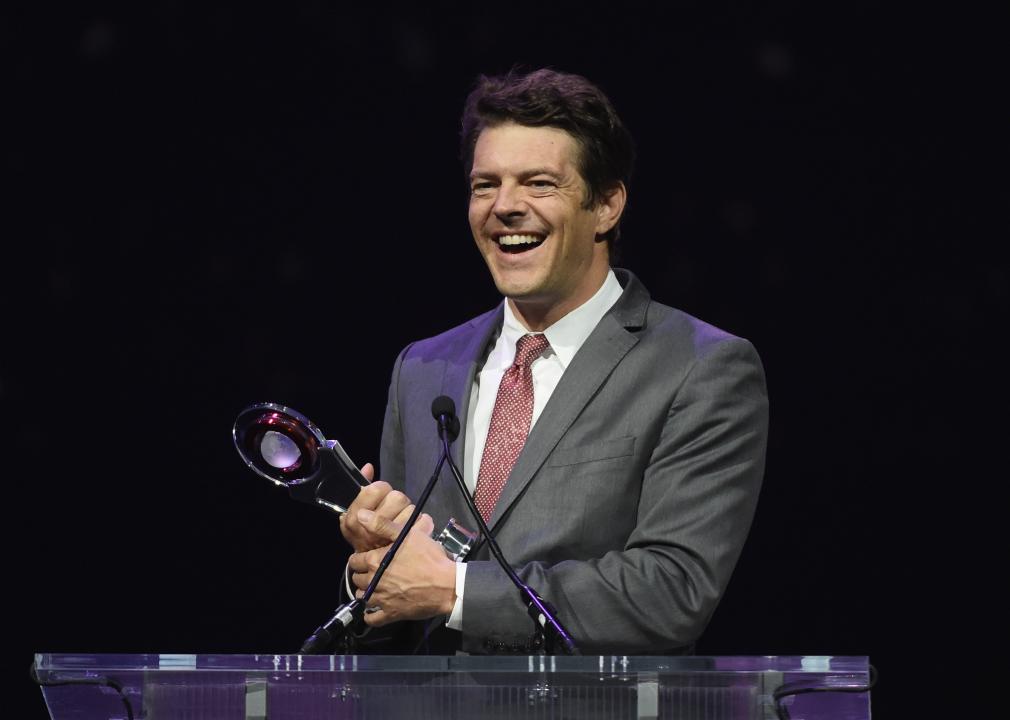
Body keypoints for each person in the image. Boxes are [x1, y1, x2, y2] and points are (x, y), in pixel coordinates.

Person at [340, 68, 768, 655]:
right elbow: (404, 601)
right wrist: (372, 575)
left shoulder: (701, 367)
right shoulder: (422, 369)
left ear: (607, 205)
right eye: (484, 185)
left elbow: (672, 593)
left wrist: (456, 589)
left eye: (539, 183)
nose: (505, 207)